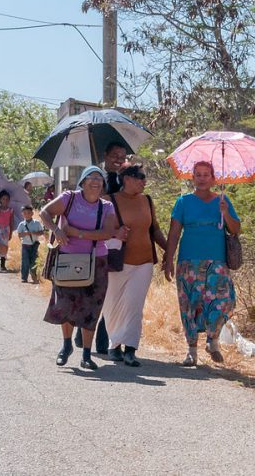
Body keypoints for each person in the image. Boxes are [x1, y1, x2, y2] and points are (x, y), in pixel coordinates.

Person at [40, 166, 122, 371]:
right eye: (91, 178)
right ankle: (66, 346)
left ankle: (86, 354)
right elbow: (45, 213)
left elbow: (107, 233)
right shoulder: (69, 198)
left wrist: (75, 232)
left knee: (91, 308)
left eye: (99, 179)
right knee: (65, 304)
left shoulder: (107, 207)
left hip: (97, 260)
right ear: (83, 182)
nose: (95, 182)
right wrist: (57, 230)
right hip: (68, 257)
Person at [162, 160, 241, 366]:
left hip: (217, 262)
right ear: (192, 177)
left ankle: (213, 340)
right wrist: (168, 259)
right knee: (190, 305)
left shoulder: (223, 201)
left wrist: (225, 212)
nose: (202, 178)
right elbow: (174, 233)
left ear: (213, 178)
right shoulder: (183, 202)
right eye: (198, 174)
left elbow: (235, 229)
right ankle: (191, 351)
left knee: (224, 301)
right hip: (188, 262)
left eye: (207, 174)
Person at [103, 164, 167, 366]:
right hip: (116, 262)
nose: (143, 181)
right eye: (139, 177)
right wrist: (115, 233)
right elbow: (99, 230)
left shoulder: (146, 200)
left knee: (134, 305)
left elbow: (155, 229)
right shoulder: (109, 201)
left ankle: (130, 349)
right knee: (112, 305)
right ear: (126, 178)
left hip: (144, 262)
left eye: (143, 177)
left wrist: (170, 251)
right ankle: (114, 346)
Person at [74, 141, 130, 352]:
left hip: (118, 243)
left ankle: (102, 343)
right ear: (105, 155)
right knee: (92, 289)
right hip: (96, 242)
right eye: (115, 154)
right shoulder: (95, 179)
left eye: (122, 156)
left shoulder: (125, 179)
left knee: (110, 292)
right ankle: (82, 331)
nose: (118, 159)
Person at [16, 205, 45, 284]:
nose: (27, 215)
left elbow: (42, 232)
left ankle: (33, 275)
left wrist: (33, 233)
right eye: (25, 213)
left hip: (34, 245)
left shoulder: (37, 223)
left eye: (28, 213)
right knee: (25, 261)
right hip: (25, 245)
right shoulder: (22, 224)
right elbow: (19, 234)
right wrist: (24, 234)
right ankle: (24, 277)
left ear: (32, 213)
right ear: (22, 214)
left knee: (34, 261)